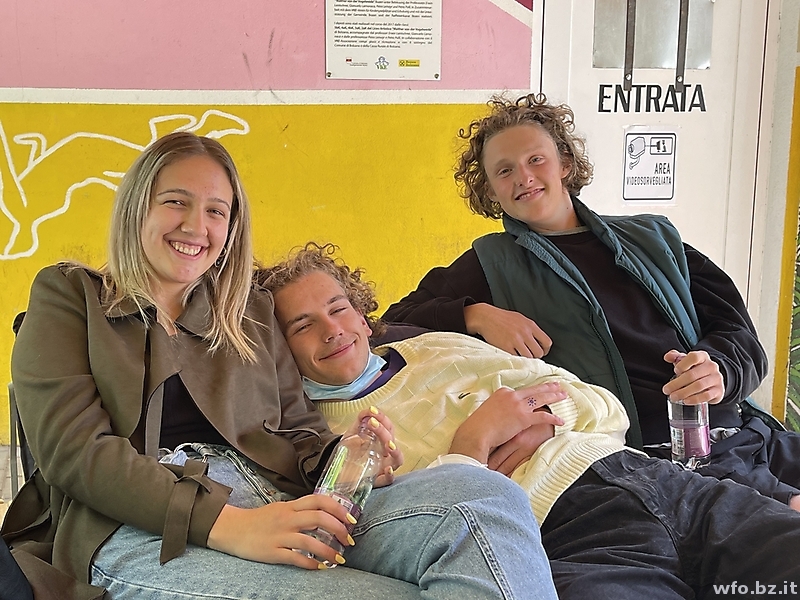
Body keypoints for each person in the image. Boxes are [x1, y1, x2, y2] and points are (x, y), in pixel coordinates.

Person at [1, 132, 558, 600]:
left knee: (485, 498)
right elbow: (75, 452)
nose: (196, 226)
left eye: (216, 211)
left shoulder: (249, 312)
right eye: (175, 202)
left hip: (282, 502)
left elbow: (301, 434)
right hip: (137, 527)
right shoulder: (70, 296)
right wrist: (232, 526)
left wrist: (350, 458)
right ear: (136, 207)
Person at [259, 242, 800, 598]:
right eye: (303, 325)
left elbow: (602, 405)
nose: (332, 330)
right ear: (279, 348)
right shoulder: (325, 438)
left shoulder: (438, 346)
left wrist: (545, 418)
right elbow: (414, 528)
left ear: (361, 314)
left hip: (652, 478)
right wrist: (473, 446)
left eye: (338, 308)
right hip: (569, 537)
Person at [382, 92, 800, 511]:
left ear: (565, 163)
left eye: (535, 160)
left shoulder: (655, 238)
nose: (523, 177)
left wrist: (720, 371)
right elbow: (387, 326)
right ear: (490, 191)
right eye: (504, 171)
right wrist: (476, 315)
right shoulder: (487, 264)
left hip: (739, 432)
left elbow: (738, 333)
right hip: (648, 463)